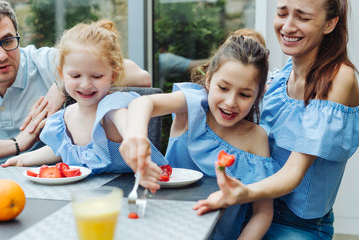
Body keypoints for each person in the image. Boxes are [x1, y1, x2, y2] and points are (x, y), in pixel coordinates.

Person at [193, 0, 359, 239]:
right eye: (282, 13)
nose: (288, 26)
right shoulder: (279, 78)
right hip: (252, 211)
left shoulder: (338, 77)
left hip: (298, 225)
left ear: (330, 23)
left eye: (302, 18)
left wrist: (242, 193)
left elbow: (294, 172)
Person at [120, 35, 280, 239]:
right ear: (208, 80)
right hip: (161, 230)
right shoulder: (192, 106)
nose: (231, 102)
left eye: (245, 95)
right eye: (223, 88)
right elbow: (141, 103)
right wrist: (136, 135)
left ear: (258, 96)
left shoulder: (256, 137)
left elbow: (263, 213)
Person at [1, 19, 166, 189]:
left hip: (141, 186)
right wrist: (23, 159)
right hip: (91, 192)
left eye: (96, 76)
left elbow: (129, 128)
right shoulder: (65, 117)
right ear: (61, 75)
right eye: (75, 76)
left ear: (113, 76)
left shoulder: (113, 107)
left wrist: (134, 140)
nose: (86, 84)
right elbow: (62, 150)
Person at [0, 0, 152, 163]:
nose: (2, 56)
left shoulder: (44, 61)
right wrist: (17, 144)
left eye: (7, 41)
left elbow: (141, 77)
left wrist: (61, 85)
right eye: (76, 76)